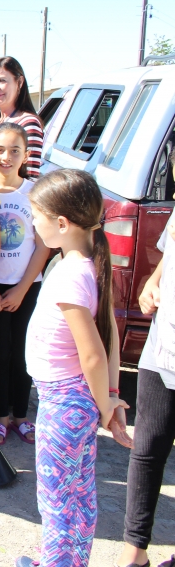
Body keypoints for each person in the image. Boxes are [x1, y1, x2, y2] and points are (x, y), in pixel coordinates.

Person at [15, 169, 132, 567]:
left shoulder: (70, 276)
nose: (32, 222)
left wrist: (106, 406)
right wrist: (111, 398)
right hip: (76, 401)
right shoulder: (87, 265)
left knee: (57, 502)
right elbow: (110, 336)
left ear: (61, 224)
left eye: (36, 215)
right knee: (79, 495)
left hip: (64, 402)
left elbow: (94, 354)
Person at [119, 188, 175, 567]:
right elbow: (165, 260)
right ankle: (133, 554)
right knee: (148, 447)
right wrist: (152, 283)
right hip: (163, 343)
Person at [0, 123, 49, 445]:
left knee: (24, 353)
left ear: (26, 155)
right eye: (0, 150)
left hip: (27, 287)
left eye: (14, 150)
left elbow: (43, 244)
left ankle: (22, 416)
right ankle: (0, 416)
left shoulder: (35, 193)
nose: (6, 157)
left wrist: (23, 288)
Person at [0, 56, 44, 182]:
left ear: (20, 82)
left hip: (4, 200)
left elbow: (30, 178)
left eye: (1, 81)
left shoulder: (28, 123)